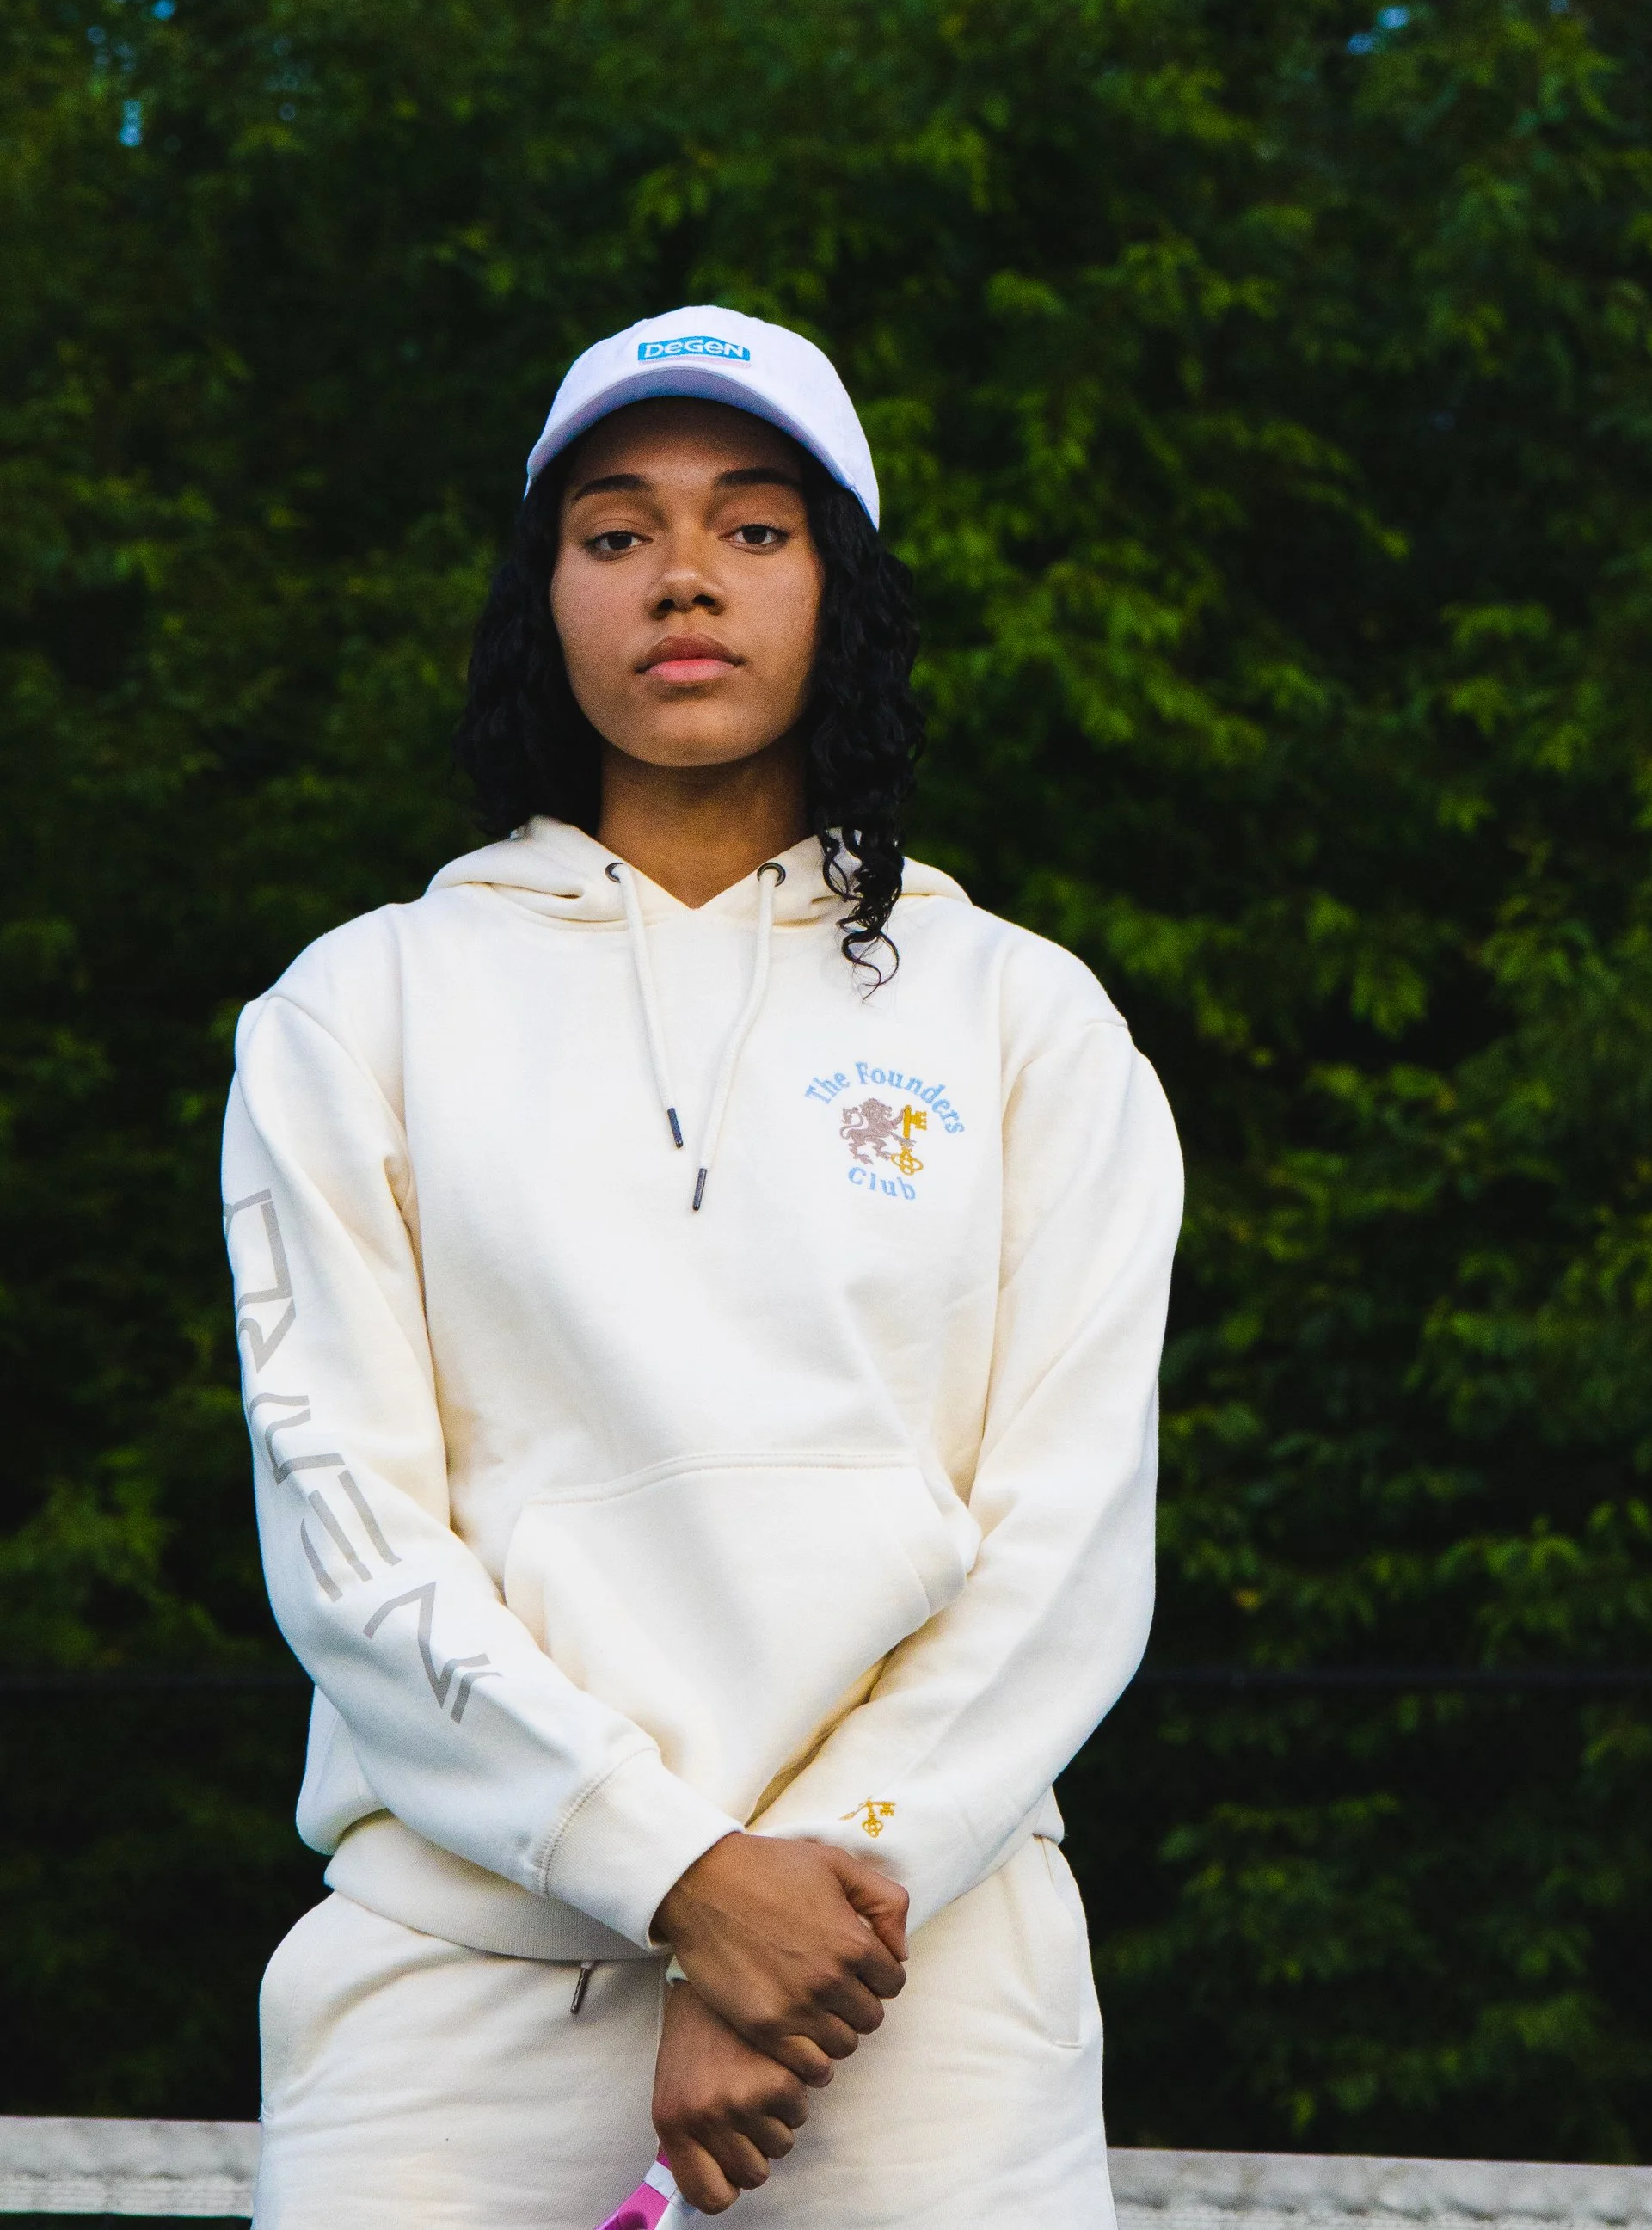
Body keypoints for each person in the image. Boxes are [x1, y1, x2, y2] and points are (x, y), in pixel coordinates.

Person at [223, 305, 1183, 2227]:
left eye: (754, 527)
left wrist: (804, 1927)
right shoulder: (359, 1009)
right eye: (614, 529)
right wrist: (675, 1875)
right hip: (459, 1995)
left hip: (918, 1992)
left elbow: (1068, 1542)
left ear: (842, 587)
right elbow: (349, 1531)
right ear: (544, 593)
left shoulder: (1020, 1014)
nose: (683, 576)